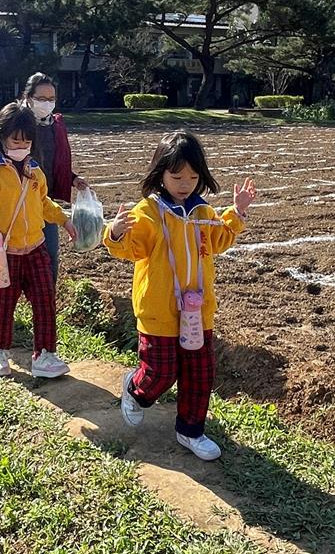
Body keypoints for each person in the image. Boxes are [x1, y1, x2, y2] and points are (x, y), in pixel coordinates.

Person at [104, 131, 256, 461]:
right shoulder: (148, 212)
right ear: (160, 174)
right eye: (177, 177)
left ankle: (191, 430)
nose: (185, 184)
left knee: (200, 373)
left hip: (197, 311)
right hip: (158, 310)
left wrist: (237, 212)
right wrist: (115, 233)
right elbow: (132, 249)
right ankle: (135, 390)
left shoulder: (202, 212)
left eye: (193, 177)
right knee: (161, 372)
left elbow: (219, 239)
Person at [0, 102, 77, 379]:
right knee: (2, 303)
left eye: (27, 141)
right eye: (16, 140)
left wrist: (64, 219)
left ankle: (45, 355)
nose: (22, 146)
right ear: (2, 138)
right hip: (3, 253)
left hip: (36, 248)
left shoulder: (35, 172)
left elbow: (43, 202)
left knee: (45, 301)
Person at [20, 72, 88, 282]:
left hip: (45, 202)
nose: (47, 103)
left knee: (50, 253)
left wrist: (72, 178)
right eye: (41, 98)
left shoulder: (55, 125)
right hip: (19, 200)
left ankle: (48, 295)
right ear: (29, 97)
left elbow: (55, 160)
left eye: (51, 99)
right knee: (18, 253)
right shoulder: (16, 123)